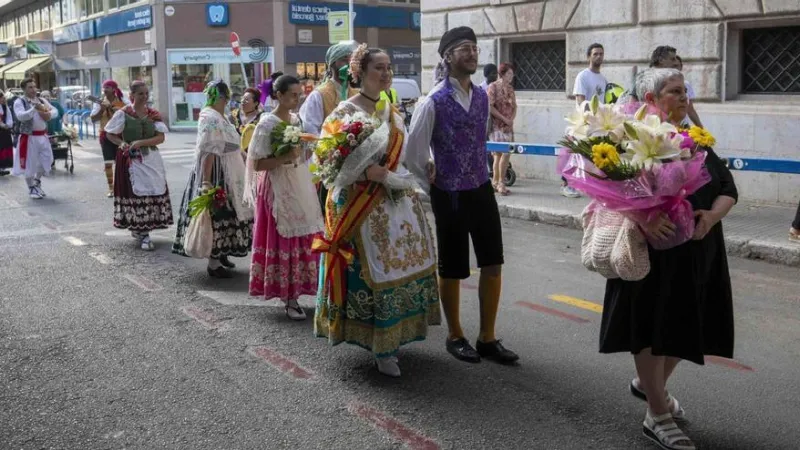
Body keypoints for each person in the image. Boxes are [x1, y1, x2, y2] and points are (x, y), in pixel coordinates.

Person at [600, 68, 737, 450]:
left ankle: (649, 386)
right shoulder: (629, 140)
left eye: (684, 91)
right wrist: (644, 215)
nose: (683, 98)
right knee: (649, 328)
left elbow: (728, 187)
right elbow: (610, 195)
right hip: (652, 254)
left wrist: (711, 216)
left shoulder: (696, 139)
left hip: (699, 249)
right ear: (651, 100)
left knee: (684, 328)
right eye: (675, 91)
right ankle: (657, 415)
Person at [313, 45, 440, 377]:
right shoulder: (342, 113)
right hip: (358, 204)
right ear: (359, 73)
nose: (385, 74)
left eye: (388, 67)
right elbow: (325, 162)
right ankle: (380, 347)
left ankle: (394, 339)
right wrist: (364, 173)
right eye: (378, 68)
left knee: (400, 267)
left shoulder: (393, 112)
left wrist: (426, 165)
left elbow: (408, 153)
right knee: (369, 273)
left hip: (394, 201)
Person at [406, 27, 519, 365]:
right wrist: (433, 184)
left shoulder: (483, 96)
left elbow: (479, 138)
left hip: (481, 187)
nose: (472, 53)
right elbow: (413, 152)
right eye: (464, 49)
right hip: (449, 193)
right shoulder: (433, 100)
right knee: (453, 267)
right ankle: (455, 335)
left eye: (474, 48)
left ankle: (487, 337)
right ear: (448, 57)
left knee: (493, 261)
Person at [246, 75, 323, 319]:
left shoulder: (295, 120)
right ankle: (288, 297)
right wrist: (284, 158)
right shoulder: (267, 124)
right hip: (276, 187)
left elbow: (300, 154)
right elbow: (257, 163)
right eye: (292, 94)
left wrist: (307, 150)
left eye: (299, 94)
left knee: (304, 232)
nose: (297, 99)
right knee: (283, 237)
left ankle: (299, 289)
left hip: (298, 182)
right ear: (278, 95)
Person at [172, 80, 254, 277]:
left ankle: (223, 253)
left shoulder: (218, 116)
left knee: (230, 213)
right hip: (218, 172)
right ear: (223, 97)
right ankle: (214, 261)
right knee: (217, 212)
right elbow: (209, 151)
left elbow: (232, 146)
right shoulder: (210, 117)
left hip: (229, 170)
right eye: (226, 98)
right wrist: (206, 182)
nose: (227, 102)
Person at [104, 80, 173, 251]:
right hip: (131, 160)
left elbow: (160, 138)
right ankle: (143, 232)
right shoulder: (123, 114)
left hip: (151, 158)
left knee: (153, 190)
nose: (144, 97)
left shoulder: (153, 114)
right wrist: (122, 144)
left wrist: (141, 142)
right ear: (132, 95)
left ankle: (143, 227)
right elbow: (110, 134)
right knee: (137, 194)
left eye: (146, 93)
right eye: (140, 93)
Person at [299, 41, 360, 211]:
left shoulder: (357, 94)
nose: (348, 65)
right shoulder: (319, 95)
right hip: (329, 168)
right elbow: (312, 133)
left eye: (351, 61)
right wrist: (334, 155)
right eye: (343, 60)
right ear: (332, 64)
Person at [566, 43, 608, 198]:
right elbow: (581, 101)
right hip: (583, 124)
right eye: (595, 54)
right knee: (575, 154)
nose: (598, 56)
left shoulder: (603, 79)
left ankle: (590, 186)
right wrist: (587, 120)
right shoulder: (582, 76)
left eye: (601, 54)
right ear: (588, 56)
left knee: (591, 156)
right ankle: (567, 185)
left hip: (598, 124)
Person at [12, 78, 58, 200]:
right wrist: (34, 109)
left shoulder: (41, 100)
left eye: (34, 87)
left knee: (48, 159)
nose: (33, 89)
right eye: (30, 87)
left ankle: (37, 182)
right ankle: (31, 187)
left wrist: (47, 113)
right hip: (29, 137)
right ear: (24, 89)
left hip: (42, 136)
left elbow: (55, 111)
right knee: (29, 164)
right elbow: (21, 116)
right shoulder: (19, 102)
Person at [90, 80, 127, 197]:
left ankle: (121, 186)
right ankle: (111, 188)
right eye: (104, 87)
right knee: (108, 163)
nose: (105, 90)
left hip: (120, 135)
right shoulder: (99, 103)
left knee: (121, 162)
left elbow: (129, 112)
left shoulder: (122, 101)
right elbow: (93, 119)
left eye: (107, 87)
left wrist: (113, 109)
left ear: (113, 89)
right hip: (105, 134)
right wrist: (102, 109)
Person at [487, 63, 517, 196]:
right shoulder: (493, 87)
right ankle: (500, 183)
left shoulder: (510, 88)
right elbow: (490, 107)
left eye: (512, 74)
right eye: (509, 74)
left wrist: (511, 119)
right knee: (500, 154)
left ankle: (496, 182)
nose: (511, 76)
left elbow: (515, 106)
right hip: (496, 126)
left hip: (508, 127)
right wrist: (504, 119)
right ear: (502, 74)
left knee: (505, 154)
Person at [229, 87, 263, 153]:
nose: (242, 101)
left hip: (254, 154)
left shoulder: (261, 118)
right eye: (242, 98)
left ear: (256, 103)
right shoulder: (233, 116)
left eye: (246, 100)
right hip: (235, 154)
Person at [0, 90, 13, 176]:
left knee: (4, 148)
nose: (3, 99)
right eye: (2, 97)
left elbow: (9, 118)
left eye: (3, 97)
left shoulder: (5, 107)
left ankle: (2, 168)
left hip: (4, 132)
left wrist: (7, 125)